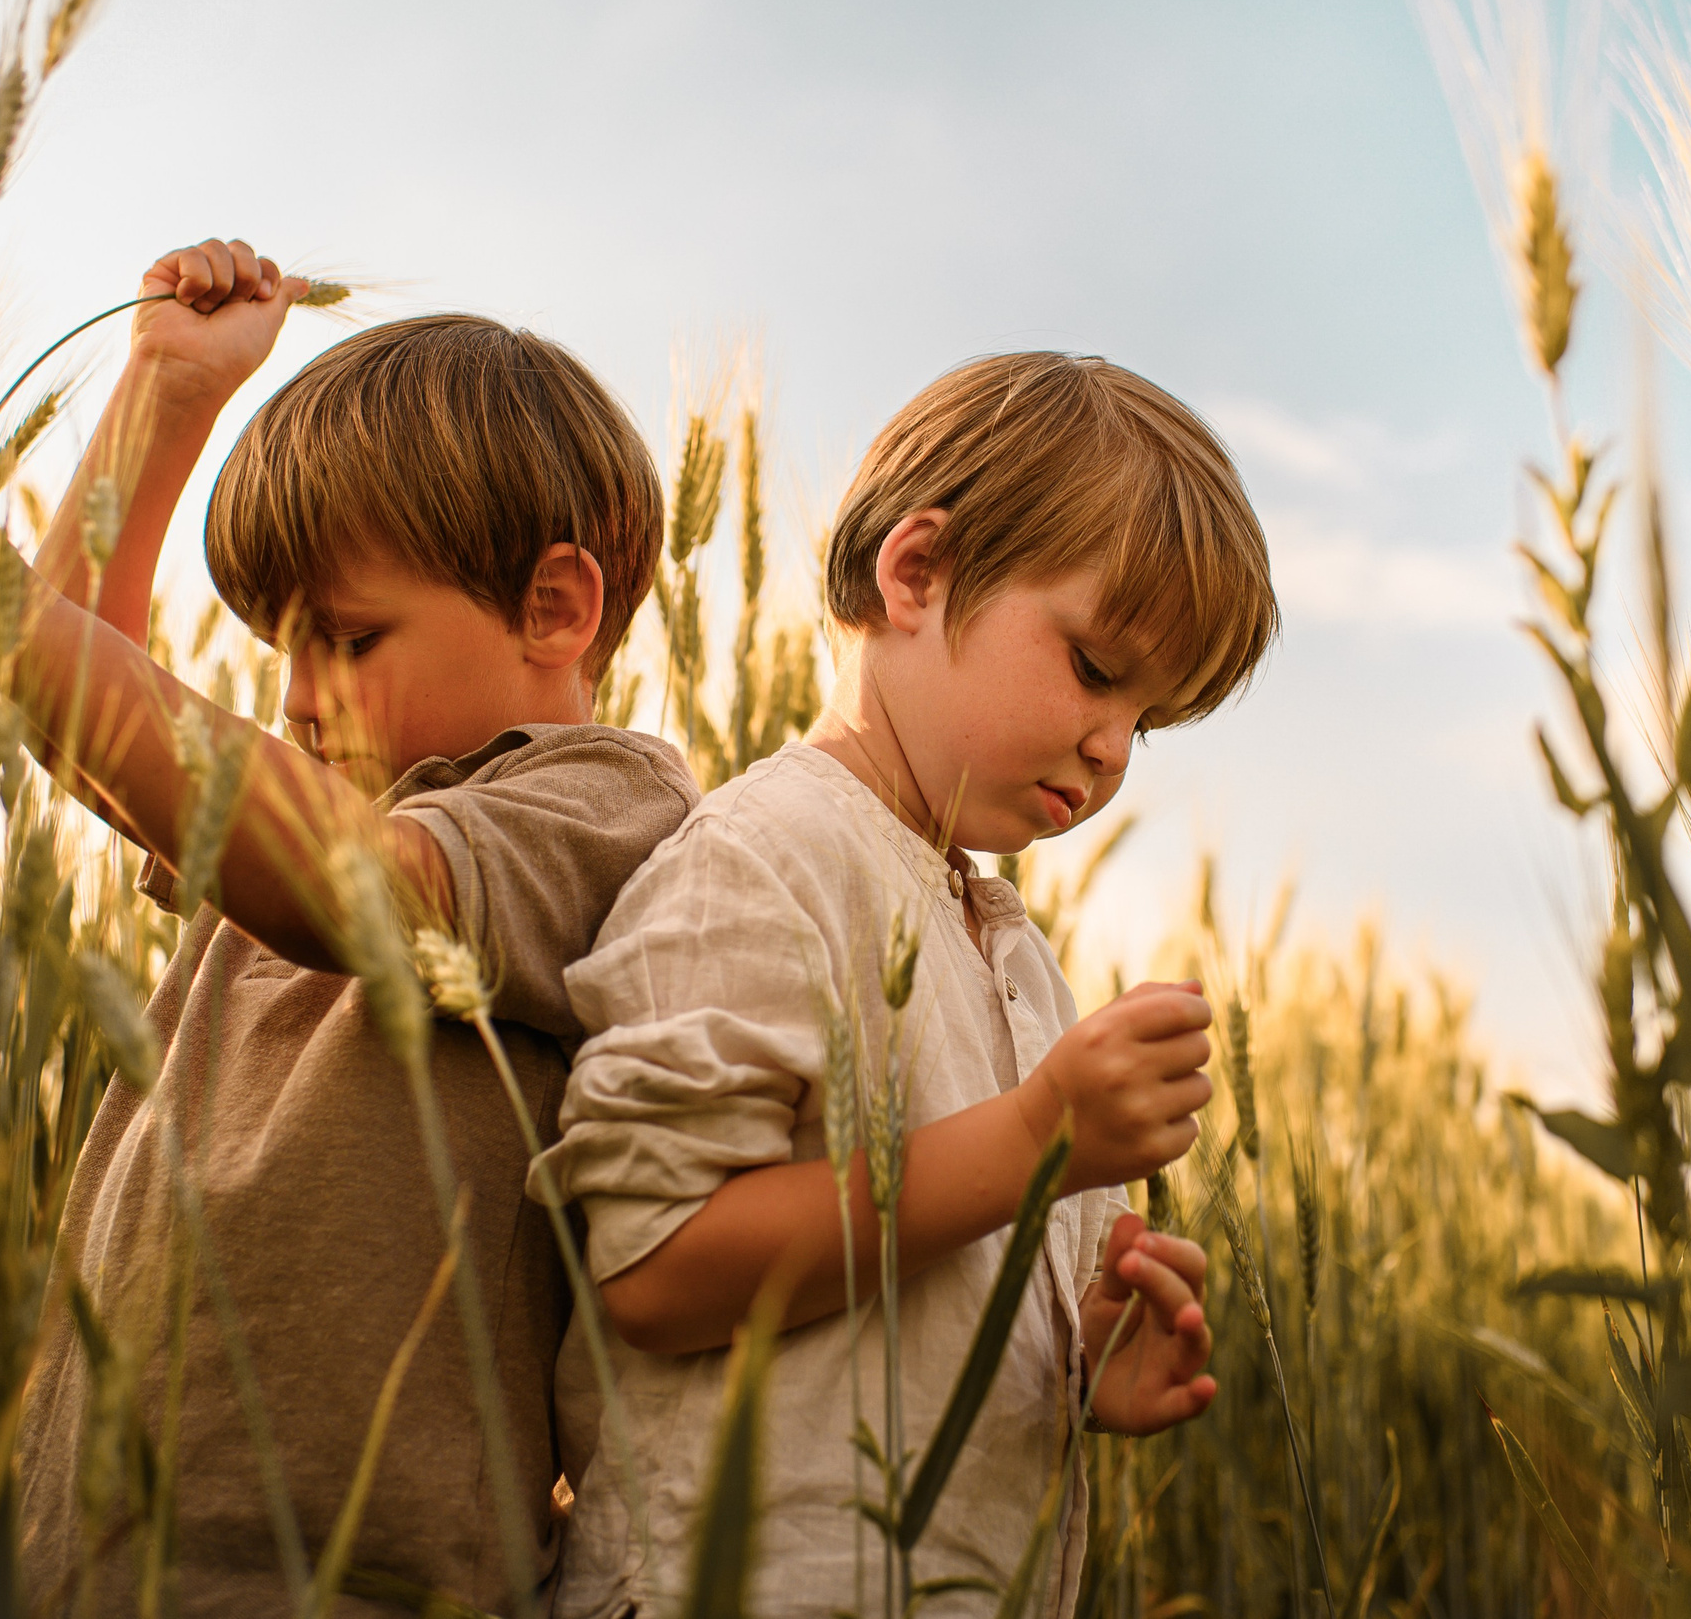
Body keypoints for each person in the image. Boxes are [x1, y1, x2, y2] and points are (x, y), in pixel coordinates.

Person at [0, 240, 696, 1615]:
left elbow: (366, 891)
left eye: (343, 638)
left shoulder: (600, 800)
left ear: (555, 606)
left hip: (349, 1574)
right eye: (276, 650)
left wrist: (6, 627)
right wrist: (163, 399)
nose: (291, 699)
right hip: (96, 1554)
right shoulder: (305, 816)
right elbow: (88, 726)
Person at [535, 350, 1281, 1619]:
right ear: (917, 572)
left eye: (1147, 722)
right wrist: (1034, 1136)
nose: (1111, 750)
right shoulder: (762, 858)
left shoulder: (1016, 954)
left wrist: (1086, 1350)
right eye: (1099, 668)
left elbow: (949, 1303)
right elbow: (652, 1268)